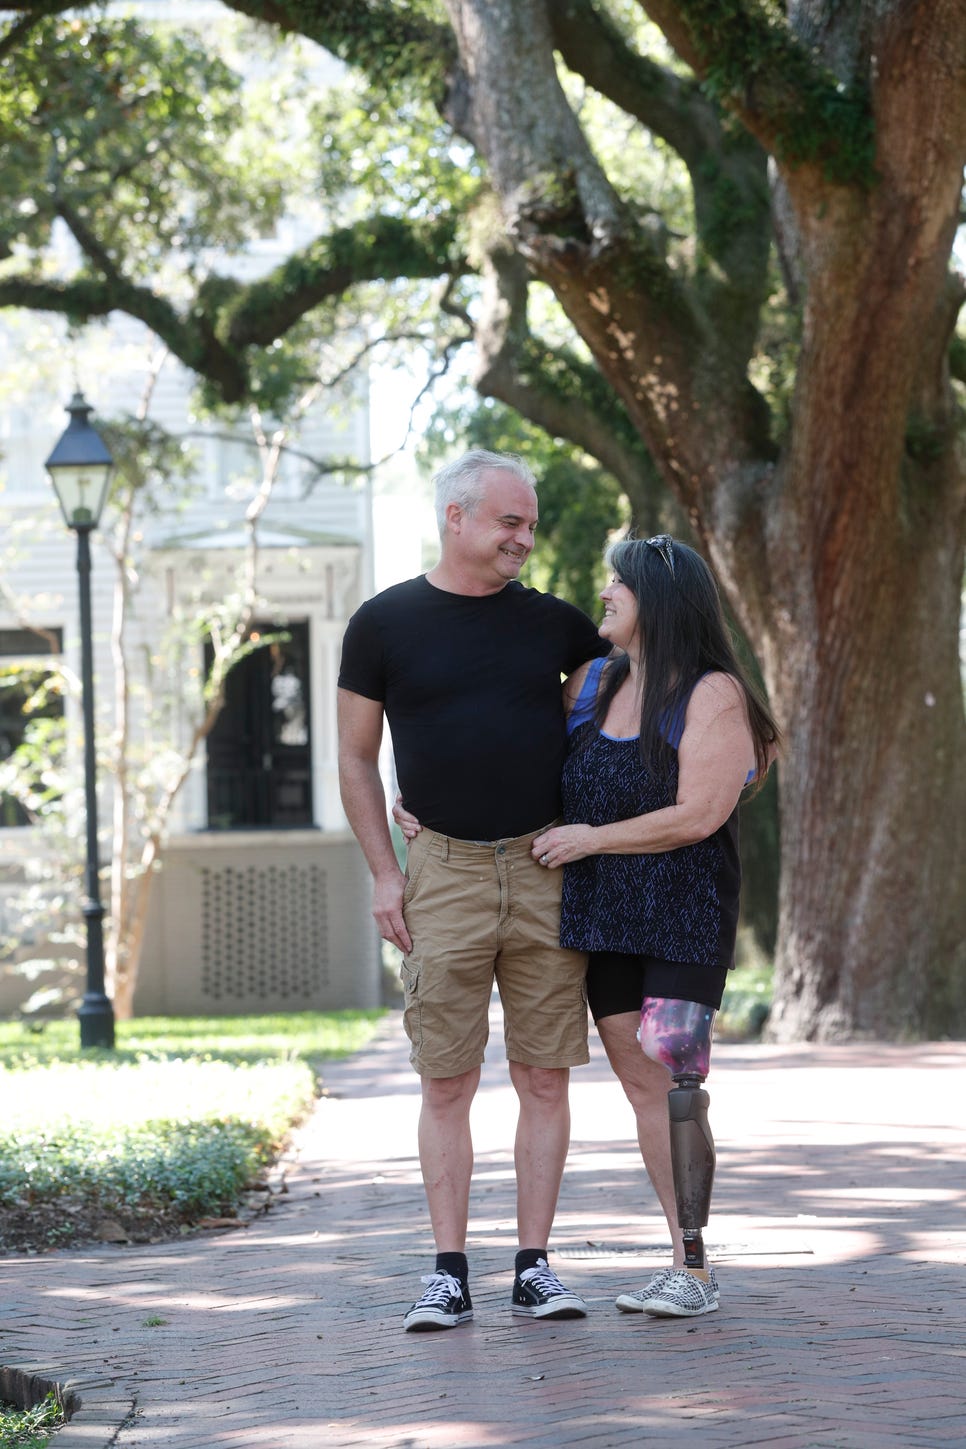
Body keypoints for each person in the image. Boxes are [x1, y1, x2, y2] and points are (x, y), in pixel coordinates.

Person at [337, 449, 608, 1332]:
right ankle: (447, 1271)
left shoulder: (560, 628)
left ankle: (534, 1266)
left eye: (529, 524)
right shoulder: (382, 624)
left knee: (543, 1074)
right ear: (456, 517)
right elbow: (353, 756)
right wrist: (386, 869)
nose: (525, 539)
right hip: (441, 872)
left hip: (542, 869)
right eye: (509, 522)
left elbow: (608, 718)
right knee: (445, 1081)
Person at [529, 533, 780, 1318]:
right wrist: (422, 799)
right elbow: (520, 753)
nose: (603, 593)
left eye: (618, 584)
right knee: (640, 1082)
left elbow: (700, 814)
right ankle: (681, 1259)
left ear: (657, 602)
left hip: (684, 911)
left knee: (673, 1076)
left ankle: (695, 1268)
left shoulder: (712, 694)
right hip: (604, 912)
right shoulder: (595, 682)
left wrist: (592, 838)